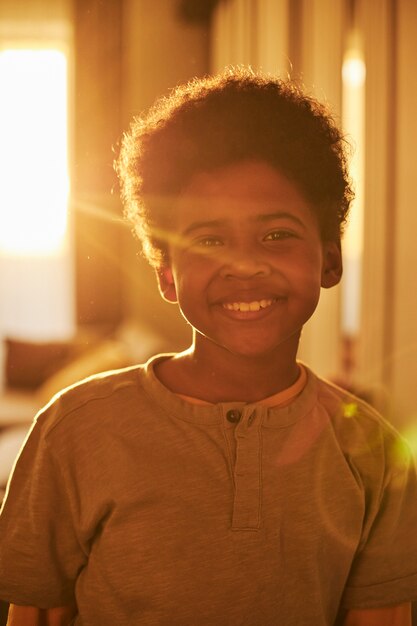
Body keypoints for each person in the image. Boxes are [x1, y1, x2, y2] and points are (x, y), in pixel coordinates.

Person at [0, 67, 416, 626]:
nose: (244, 263)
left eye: (276, 235)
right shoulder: (75, 431)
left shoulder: (373, 456)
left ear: (330, 259)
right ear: (167, 275)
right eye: (209, 239)